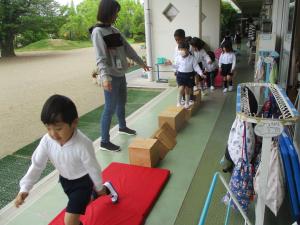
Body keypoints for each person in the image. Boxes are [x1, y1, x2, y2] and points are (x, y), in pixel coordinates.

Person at [14, 95, 119, 225]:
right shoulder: (47, 141)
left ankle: (98, 190)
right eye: (48, 128)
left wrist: (97, 185)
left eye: (58, 128)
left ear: (74, 123)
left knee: (70, 221)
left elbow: (93, 168)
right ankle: (106, 189)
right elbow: (37, 165)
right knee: (84, 202)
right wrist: (25, 188)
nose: (53, 134)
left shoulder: (83, 144)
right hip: (65, 181)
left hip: (83, 182)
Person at [90, 0, 150, 152]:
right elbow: (100, 58)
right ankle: (104, 141)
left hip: (121, 74)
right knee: (109, 108)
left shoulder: (114, 30)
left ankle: (122, 126)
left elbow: (127, 48)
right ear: (107, 12)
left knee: (121, 102)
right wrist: (104, 78)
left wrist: (141, 62)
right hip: (110, 75)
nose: (116, 15)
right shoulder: (98, 32)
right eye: (115, 12)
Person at [172, 41, 204, 108]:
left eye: (182, 49)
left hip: (189, 75)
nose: (181, 51)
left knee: (187, 89)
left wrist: (201, 73)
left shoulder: (192, 58)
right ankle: (179, 102)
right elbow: (176, 66)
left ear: (187, 49)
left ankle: (187, 103)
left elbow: (196, 67)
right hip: (180, 75)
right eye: (179, 49)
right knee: (181, 88)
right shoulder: (178, 58)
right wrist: (171, 65)